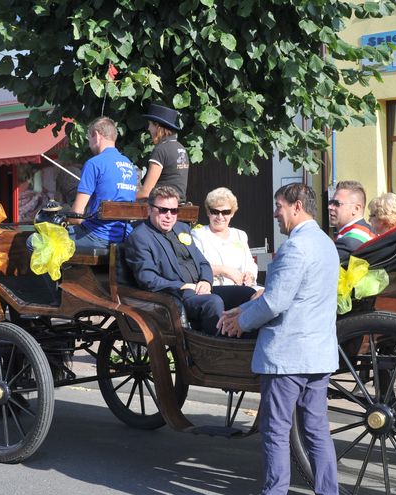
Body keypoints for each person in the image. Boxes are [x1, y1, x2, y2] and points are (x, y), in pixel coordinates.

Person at [218, 183, 341, 495]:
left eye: (278, 206)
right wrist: (243, 307)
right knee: (317, 433)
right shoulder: (325, 245)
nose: (275, 213)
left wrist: (240, 322)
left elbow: (275, 303)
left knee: (275, 432)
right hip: (318, 354)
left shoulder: (295, 248)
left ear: (297, 206)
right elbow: (291, 296)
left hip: (287, 357)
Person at [124, 185, 255, 336]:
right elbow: (148, 280)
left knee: (248, 293)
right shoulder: (140, 237)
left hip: (200, 289)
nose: (169, 216)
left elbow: (203, 263)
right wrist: (185, 286)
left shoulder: (182, 229)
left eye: (174, 211)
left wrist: (206, 281)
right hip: (174, 296)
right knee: (213, 302)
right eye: (163, 210)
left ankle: (247, 346)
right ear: (149, 209)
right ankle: (217, 353)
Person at [67, 116, 137, 248]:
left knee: (37, 241)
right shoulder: (129, 164)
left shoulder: (94, 163)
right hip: (124, 236)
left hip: (98, 236)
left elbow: (76, 215)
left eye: (89, 138)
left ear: (96, 135)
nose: (89, 144)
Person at [191, 187, 259, 287]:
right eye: (215, 212)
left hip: (243, 287)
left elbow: (250, 263)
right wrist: (224, 270)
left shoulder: (240, 235)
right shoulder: (198, 234)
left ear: (232, 214)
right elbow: (196, 266)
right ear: (208, 212)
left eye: (225, 212)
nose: (220, 217)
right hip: (214, 288)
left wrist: (250, 275)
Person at [136, 103, 190, 203]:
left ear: (157, 126)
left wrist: (125, 195)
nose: (148, 129)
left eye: (150, 124)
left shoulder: (161, 150)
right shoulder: (181, 148)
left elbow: (146, 192)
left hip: (162, 206)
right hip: (178, 206)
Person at [328, 179, 376, 261]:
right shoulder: (370, 231)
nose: (330, 207)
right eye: (331, 202)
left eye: (337, 203)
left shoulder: (349, 241)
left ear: (356, 208)